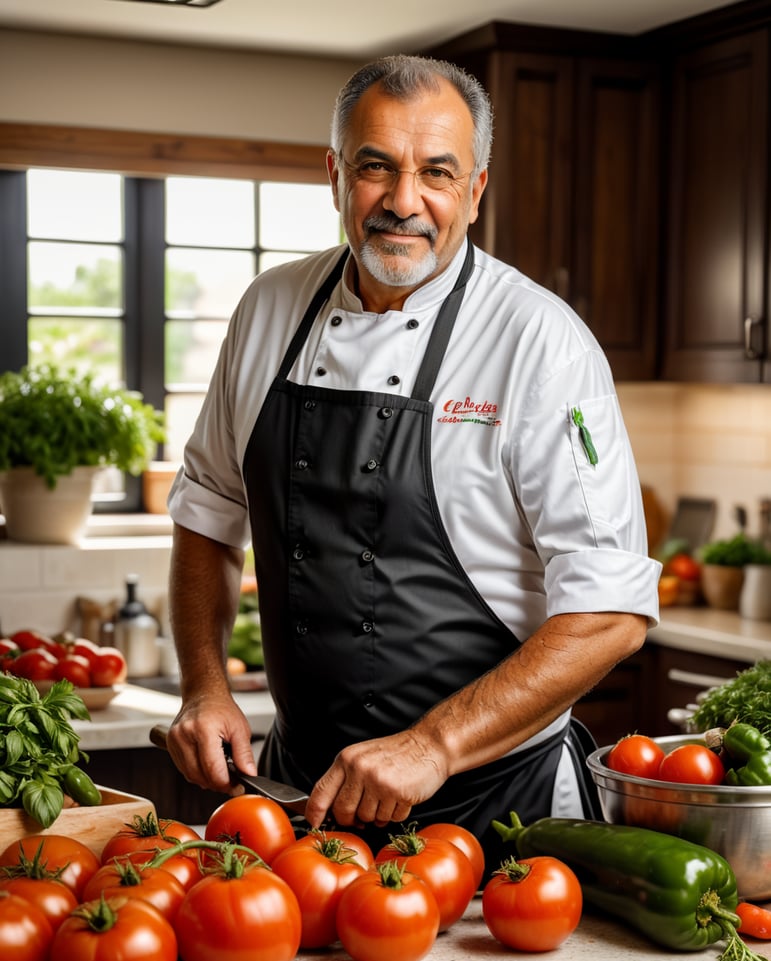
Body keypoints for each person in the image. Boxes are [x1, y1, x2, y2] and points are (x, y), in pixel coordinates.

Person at [165, 54, 660, 870]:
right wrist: (206, 685)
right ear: (334, 176)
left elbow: (609, 611)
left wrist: (434, 743)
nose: (403, 202)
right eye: (375, 167)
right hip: (302, 801)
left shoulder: (540, 343)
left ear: (475, 190)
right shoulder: (267, 310)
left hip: (500, 814)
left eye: (436, 172)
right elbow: (208, 513)